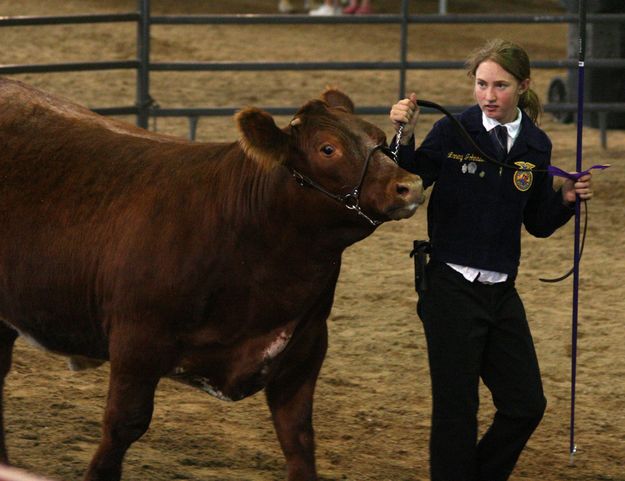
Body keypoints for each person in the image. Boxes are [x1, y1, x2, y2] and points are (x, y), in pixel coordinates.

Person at [389, 39, 593, 481]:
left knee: (526, 405)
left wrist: (566, 199)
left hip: (501, 291)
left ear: (523, 85)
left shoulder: (536, 146)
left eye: (500, 85)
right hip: (449, 286)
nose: (489, 95)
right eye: (482, 84)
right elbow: (407, 184)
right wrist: (402, 133)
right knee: (457, 409)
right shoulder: (452, 131)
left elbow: (538, 222)